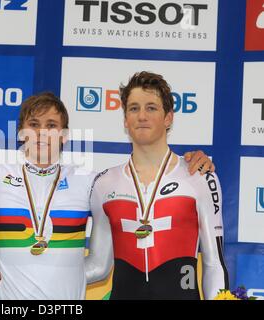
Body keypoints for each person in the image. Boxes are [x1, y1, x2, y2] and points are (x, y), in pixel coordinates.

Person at [0, 92, 215, 300]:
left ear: (64, 135)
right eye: (34, 125)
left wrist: (190, 163)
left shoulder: (92, 182)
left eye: (51, 126)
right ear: (20, 134)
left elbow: (109, 250)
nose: (42, 133)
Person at [89, 72, 229, 300]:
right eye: (134, 108)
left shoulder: (199, 175)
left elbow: (214, 264)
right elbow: (98, 267)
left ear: (168, 118)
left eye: (151, 108)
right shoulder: (104, 184)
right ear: (125, 119)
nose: (142, 116)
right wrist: (34, 275)